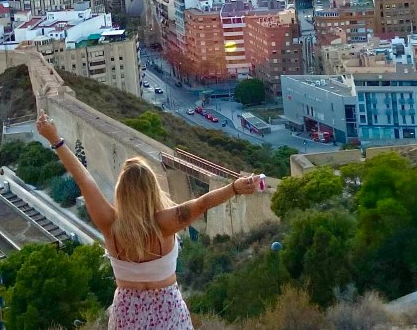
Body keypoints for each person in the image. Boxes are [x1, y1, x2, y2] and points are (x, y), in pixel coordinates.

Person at [36, 110, 262, 329]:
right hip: (167, 314)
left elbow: (83, 179)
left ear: (121, 191)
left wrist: (55, 139)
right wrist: (234, 188)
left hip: (127, 315)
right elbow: (202, 203)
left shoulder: (111, 226)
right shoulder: (165, 224)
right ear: (153, 190)